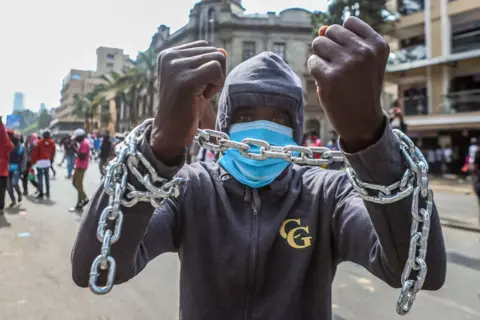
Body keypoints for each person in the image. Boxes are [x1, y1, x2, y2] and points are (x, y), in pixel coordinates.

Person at [72, 19, 446, 319]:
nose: (261, 132)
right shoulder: (190, 189)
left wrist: (371, 136)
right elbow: (96, 266)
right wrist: (158, 147)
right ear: (225, 125)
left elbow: (417, 270)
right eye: (247, 115)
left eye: (279, 117)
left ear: (296, 129)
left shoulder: (328, 195)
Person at [69, 129, 90, 211]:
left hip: (81, 166)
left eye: (77, 138)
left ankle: (80, 202)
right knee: (75, 183)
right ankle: (84, 198)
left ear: (80, 137)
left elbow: (82, 156)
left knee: (78, 184)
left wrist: (74, 148)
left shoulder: (84, 144)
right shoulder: (83, 143)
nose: (76, 140)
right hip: (79, 165)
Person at [32, 130, 56, 199]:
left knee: (40, 178)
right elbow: (53, 153)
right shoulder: (52, 142)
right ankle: (48, 192)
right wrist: (51, 160)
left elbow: (35, 153)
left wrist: (34, 161)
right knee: (47, 178)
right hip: (47, 161)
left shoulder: (39, 142)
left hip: (40, 162)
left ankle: (41, 193)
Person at [7, 131, 26, 206]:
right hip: (7, 167)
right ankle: (13, 200)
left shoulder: (20, 146)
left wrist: (23, 168)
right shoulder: (5, 144)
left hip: (16, 167)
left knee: (14, 183)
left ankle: (19, 194)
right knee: (8, 186)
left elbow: (23, 158)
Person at [0, 118, 13, 214]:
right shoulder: (5, 140)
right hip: (3, 169)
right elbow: (10, 146)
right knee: (2, 189)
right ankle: (1, 207)